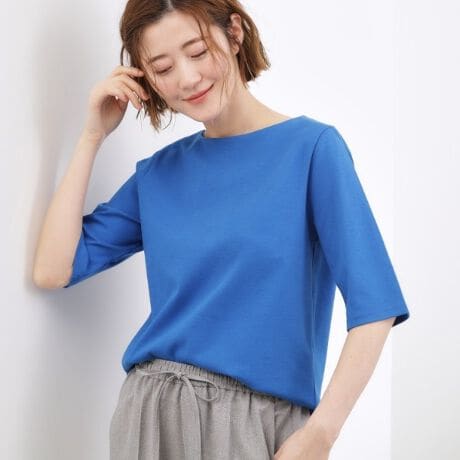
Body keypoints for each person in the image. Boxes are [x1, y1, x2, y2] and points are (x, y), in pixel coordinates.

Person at [33, 1, 410, 459]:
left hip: (260, 423)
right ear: (145, 79)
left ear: (234, 34)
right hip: (152, 415)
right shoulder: (158, 175)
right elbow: (53, 269)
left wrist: (321, 433)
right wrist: (92, 137)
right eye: (163, 68)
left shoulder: (311, 150)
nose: (187, 78)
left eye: (197, 51)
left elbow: (375, 307)